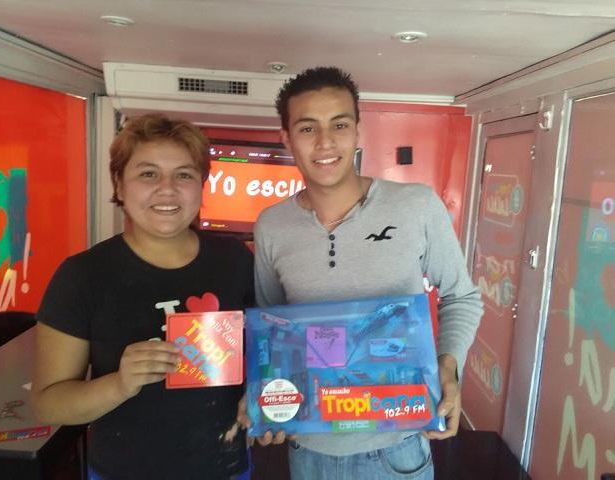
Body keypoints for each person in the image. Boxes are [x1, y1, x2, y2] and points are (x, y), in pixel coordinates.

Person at [251, 67, 483, 479]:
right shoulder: (272, 225)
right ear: (286, 138)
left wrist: (447, 367)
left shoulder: (416, 206)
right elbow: (273, 325)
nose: (325, 142)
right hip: (309, 449)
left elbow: (461, 296)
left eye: (339, 125)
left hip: (398, 449)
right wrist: (267, 400)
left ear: (358, 131)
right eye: (307, 128)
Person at [31, 114, 253, 480]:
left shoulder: (235, 261)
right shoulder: (83, 275)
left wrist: (258, 393)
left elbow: (263, 352)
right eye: (148, 174)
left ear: (201, 186)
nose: (167, 189)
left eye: (184, 175)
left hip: (226, 468)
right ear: (119, 185)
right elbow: (48, 404)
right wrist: (119, 383)